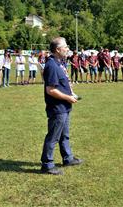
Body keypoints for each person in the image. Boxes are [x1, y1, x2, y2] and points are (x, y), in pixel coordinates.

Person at [40, 37, 83, 175]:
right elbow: (50, 90)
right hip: (57, 108)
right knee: (53, 137)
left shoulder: (59, 63)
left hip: (64, 107)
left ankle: (68, 158)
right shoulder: (51, 65)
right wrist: (68, 97)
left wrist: (71, 92)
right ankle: (47, 164)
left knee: (65, 135)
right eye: (65, 47)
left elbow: (61, 84)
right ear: (57, 50)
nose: (68, 49)